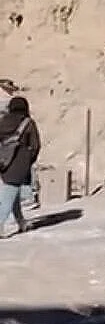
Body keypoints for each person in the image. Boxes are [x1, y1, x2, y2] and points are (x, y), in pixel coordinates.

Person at [0, 95, 41, 239]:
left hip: (4, 163)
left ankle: (21, 222)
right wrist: (29, 159)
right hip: (20, 164)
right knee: (8, 195)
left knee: (13, 194)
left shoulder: (2, 121)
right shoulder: (28, 123)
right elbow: (35, 145)